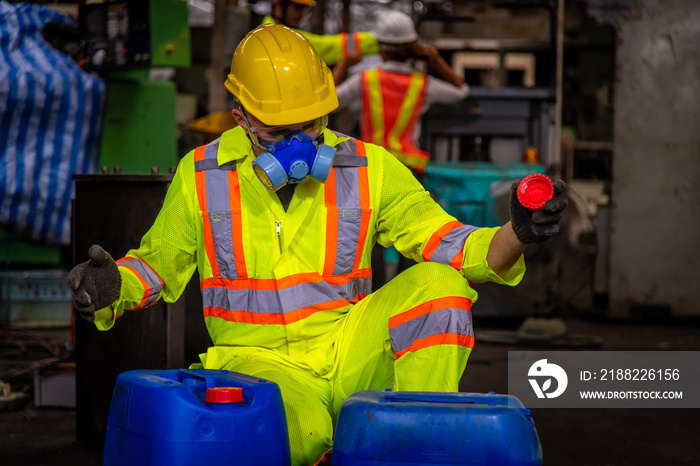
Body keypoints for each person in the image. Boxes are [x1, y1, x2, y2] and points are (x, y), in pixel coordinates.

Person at [67, 24, 567, 466]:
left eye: (311, 126)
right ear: (240, 117)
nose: (301, 146)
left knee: (440, 286)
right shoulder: (201, 176)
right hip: (259, 364)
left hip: (349, 350)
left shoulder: (367, 168)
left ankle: (418, 442)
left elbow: (458, 249)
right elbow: (159, 266)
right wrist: (113, 285)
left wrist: (515, 233)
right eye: (280, 132)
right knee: (303, 438)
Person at [334, 10, 469, 174]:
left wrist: (342, 65)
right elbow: (462, 90)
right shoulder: (424, 84)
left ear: (381, 49)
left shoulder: (365, 80)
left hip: (374, 167)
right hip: (409, 168)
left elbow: (330, 102)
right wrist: (436, 61)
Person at [261, 0, 379, 66]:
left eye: (305, 9)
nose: (303, 14)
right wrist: (379, 39)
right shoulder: (282, 38)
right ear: (278, 5)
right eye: (298, 7)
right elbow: (331, 46)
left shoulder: (265, 31)